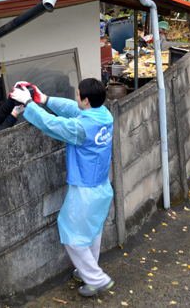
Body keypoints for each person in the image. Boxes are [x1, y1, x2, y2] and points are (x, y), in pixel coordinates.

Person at [13, 78, 115, 297]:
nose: (75, 97)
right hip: (102, 187)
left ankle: (98, 279)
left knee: (72, 234)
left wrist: (30, 104)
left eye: (77, 94)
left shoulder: (81, 129)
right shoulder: (103, 114)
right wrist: (45, 99)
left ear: (85, 99)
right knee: (92, 232)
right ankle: (87, 274)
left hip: (85, 190)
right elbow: (73, 109)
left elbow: (52, 125)